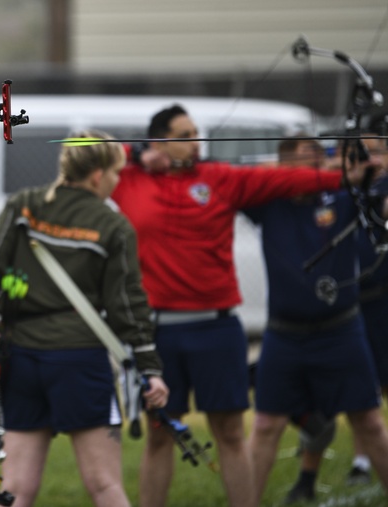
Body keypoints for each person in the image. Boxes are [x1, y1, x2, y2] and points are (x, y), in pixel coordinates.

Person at [112, 104, 367, 507]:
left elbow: (288, 179)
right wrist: (138, 153)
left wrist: (347, 174)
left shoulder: (221, 178)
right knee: (160, 435)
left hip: (216, 327)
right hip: (156, 330)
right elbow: (80, 149)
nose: (194, 141)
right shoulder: (127, 178)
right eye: (182, 135)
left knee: (230, 432)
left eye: (195, 132)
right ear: (158, 141)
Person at [0, 130, 168, 507]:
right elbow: (128, 305)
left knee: (15, 489)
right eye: (115, 174)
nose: (116, 182)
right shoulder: (113, 225)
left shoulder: (24, 204)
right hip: (81, 361)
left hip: (21, 358)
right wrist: (150, 367)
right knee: (105, 485)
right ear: (97, 176)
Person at [244, 136, 388, 504]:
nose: (316, 165)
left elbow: (378, 199)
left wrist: (366, 170)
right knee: (265, 426)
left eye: (319, 157)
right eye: (305, 159)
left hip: (341, 330)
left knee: (370, 422)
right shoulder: (270, 203)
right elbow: (244, 177)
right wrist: (293, 174)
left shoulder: (342, 196)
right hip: (284, 335)